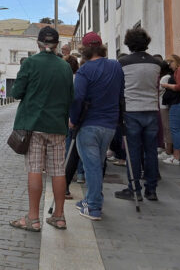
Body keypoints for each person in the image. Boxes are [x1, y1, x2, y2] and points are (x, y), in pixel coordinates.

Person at [9, 26, 73, 232]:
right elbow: (70, 97)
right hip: (57, 126)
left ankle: (33, 218)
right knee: (58, 171)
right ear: (57, 45)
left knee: (35, 169)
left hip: (34, 125)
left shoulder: (30, 63)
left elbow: (17, 92)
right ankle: (59, 216)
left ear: (38, 43)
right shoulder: (65, 67)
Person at [71, 33, 124, 221]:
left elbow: (78, 98)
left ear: (84, 50)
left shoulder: (85, 71)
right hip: (110, 124)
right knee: (98, 164)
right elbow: (120, 94)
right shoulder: (116, 66)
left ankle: (93, 207)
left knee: (91, 166)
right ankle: (91, 198)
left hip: (89, 124)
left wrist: (73, 119)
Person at [115, 27, 162, 202]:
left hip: (131, 109)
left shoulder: (123, 63)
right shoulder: (156, 63)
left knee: (133, 151)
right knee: (151, 151)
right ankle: (151, 189)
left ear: (128, 43)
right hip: (151, 109)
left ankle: (134, 188)